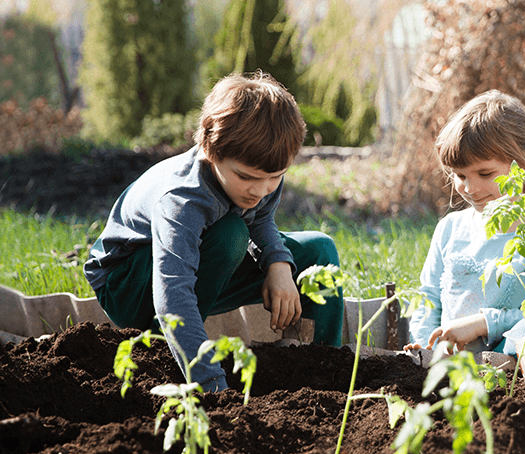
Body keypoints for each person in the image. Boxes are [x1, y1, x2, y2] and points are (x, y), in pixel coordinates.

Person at [84, 72, 344, 391]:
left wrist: (278, 265)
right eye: (247, 177)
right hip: (129, 284)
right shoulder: (183, 200)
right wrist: (212, 386)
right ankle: (160, 350)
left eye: (274, 177)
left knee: (319, 250)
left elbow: (259, 218)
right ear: (210, 149)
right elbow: (173, 294)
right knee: (230, 234)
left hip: (200, 267)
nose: (260, 190)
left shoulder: (262, 173)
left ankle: (329, 371)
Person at [403, 90, 525, 356]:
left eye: (485, 173)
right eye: (460, 175)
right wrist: (426, 346)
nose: (471, 188)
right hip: (447, 371)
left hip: (510, 375)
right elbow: (428, 300)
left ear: (522, 162)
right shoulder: (450, 229)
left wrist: (483, 324)